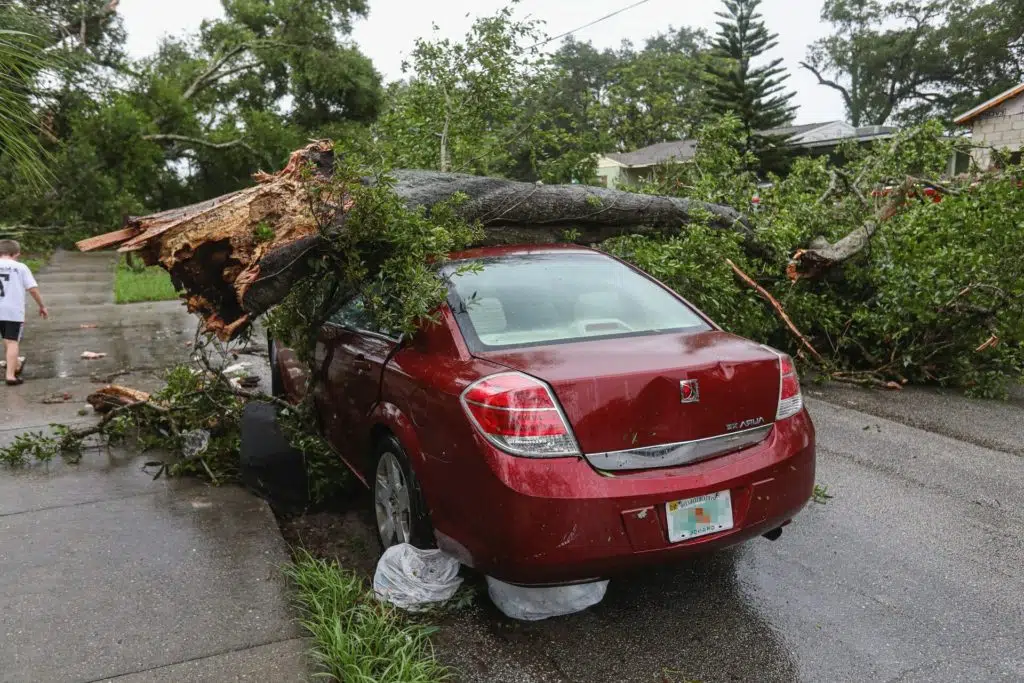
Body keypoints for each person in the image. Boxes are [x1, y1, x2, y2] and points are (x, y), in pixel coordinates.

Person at [0, 239, 48, 386]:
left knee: (7, 341)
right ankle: (10, 376)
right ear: (16, 254)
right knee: (12, 341)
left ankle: (15, 366)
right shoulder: (20, 267)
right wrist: (42, 306)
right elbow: (32, 288)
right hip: (12, 310)